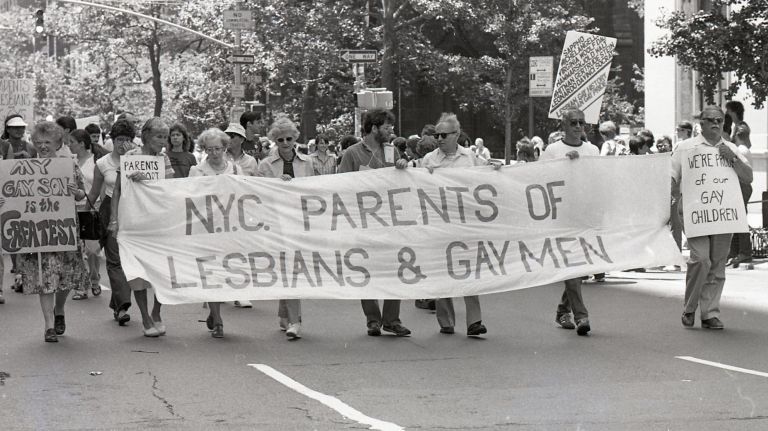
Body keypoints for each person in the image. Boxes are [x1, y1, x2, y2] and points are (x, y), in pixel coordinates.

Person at [398, 113, 496, 337]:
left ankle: (474, 321)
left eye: (444, 135)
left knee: (470, 272)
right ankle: (446, 320)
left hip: (466, 224)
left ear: (457, 135)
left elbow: (489, 173)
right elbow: (412, 171)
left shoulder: (470, 157)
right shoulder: (431, 159)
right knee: (444, 271)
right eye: (437, 135)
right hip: (439, 224)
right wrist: (405, 164)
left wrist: (497, 170)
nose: (439, 139)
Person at [673, 106, 752, 330]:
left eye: (719, 119)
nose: (716, 123)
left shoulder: (731, 148)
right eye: (711, 120)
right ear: (701, 123)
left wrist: (733, 160)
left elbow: (748, 178)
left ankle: (709, 313)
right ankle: (689, 308)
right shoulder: (685, 148)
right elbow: (671, 177)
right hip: (694, 212)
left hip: (722, 215)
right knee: (701, 259)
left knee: (717, 265)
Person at [10, 122, 90, 342]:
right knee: (45, 276)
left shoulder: (68, 166)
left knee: (65, 275)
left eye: (48, 142)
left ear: (57, 143)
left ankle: (59, 309)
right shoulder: (24, 168)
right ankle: (48, 326)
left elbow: (82, 195)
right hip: (38, 233)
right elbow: (15, 197)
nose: (43, 146)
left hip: (63, 229)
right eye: (39, 143)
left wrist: (77, 192)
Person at [338, 109, 411, 337]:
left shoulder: (393, 151)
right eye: (387, 127)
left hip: (390, 222)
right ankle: (373, 319)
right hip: (363, 223)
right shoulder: (352, 154)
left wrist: (403, 165)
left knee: (395, 267)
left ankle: (392, 319)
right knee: (366, 271)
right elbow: (340, 185)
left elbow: (404, 180)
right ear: (373, 128)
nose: (391, 131)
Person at [110, 117, 175, 337]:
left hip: (158, 224)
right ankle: (146, 318)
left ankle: (157, 312)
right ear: (145, 136)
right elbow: (117, 191)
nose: (163, 141)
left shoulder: (164, 160)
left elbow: (170, 190)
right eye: (159, 136)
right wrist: (114, 220)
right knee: (137, 271)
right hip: (134, 223)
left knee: (161, 271)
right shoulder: (129, 158)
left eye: (165, 137)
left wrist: (148, 180)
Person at [256, 117, 315, 340]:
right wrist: (275, 186)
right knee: (287, 269)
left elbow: (315, 190)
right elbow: (259, 194)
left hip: (300, 223)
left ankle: (290, 317)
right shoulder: (265, 165)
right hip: (276, 223)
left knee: (293, 269)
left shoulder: (307, 162)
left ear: (295, 139)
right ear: (274, 141)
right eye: (280, 139)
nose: (285, 142)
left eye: (289, 138)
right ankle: (292, 319)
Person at [540, 108, 598, 336]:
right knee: (571, 267)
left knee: (580, 269)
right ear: (563, 125)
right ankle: (581, 316)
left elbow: (599, 177)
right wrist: (564, 164)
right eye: (573, 122)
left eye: (581, 123)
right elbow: (539, 178)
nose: (578, 127)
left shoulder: (592, 150)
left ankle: (562, 311)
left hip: (585, 215)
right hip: (561, 217)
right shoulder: (553, 150)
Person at [188, 128, 241, 337]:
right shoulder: (197, 171)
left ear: (225, 148)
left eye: (218, 148)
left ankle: (214, 309)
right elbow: (188, 197)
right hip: (206, 228)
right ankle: (217, 318)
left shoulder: (235, 170)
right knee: (211, 271)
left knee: (225, 270)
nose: (214, 153)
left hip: (231, 227)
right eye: (209, 149)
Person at [67, 130, 104, 300]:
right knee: (77, 251)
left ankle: (94, 278)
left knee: (92, 250)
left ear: (82, 143)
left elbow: (100, 188)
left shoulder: (96, 161)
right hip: (73, 208)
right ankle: (81, 286)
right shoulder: (70, 162)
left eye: (72, 142)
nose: (69, 145)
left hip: (91, 208)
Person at [724, 101, 754, 268]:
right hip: (737, 182)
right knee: (735, 219)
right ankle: (735, 252)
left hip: (742, 182)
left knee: (740, 219)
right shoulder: (735, 127)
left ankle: (744, 252)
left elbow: (744, 145)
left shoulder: (741, 127)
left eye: (728, 110)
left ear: (733, 111)